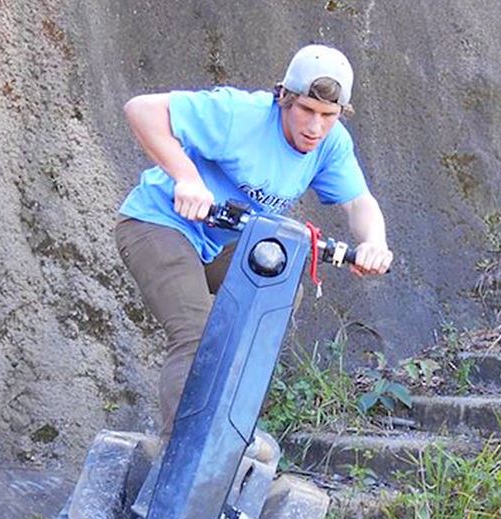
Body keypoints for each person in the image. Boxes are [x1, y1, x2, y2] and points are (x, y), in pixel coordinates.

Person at [114, 44, 394, 434]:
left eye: (328, 116)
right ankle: (180, 454)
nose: (315, 127)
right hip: (159, 223)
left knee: (274, 295)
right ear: (284, 98)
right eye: (306, 111)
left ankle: (230, 439)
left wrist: (373, 243)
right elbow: (140, 109)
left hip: (225, 244)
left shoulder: (331, 144)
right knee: (195, 333)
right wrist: (187, 178)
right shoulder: (239, 114)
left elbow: (359, 203)